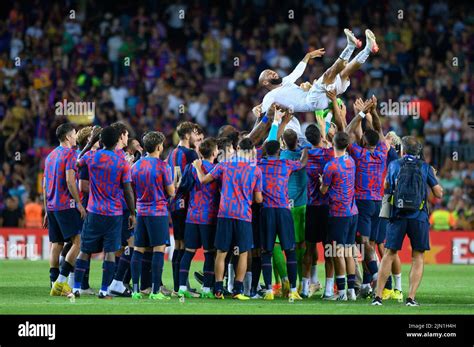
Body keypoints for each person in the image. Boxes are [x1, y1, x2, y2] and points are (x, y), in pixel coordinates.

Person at [258, 29, 378, 141]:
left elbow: (297, 72)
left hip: (321, 98)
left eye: (271, 71)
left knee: (344, 73)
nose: (272, 72)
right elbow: (263, 114)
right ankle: (351, 46)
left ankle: (368, 49)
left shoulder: (285, 81)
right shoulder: (269, 97)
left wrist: (307, 56)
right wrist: (258, 109)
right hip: (311, 101)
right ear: (265, 82)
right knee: (327, 74)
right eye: (268, 74)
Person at [372, 136, 443, 306]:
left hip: (397, 216)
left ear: (402, 150)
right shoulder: (425, 167)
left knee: (389, 254)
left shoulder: (394, 165)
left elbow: (386, 187)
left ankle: (378, 297)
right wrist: (434, 177)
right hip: (419, 217)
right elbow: (438, 194)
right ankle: (410, 298)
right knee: (417, 257)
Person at [193, 138, 263, 300]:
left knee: (221, 252)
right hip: (244, 216)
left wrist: (198, 167)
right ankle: (237, 291)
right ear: (252, 151)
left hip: (224, 214)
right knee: (244, 253)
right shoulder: (256, 170)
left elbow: (203, 180)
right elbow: (258, 199)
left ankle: (218, 290)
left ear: (238, 148)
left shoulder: (224, 165)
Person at [71, 126, 136, 299]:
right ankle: (104, 290)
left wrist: (90, 142)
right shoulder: (122, 162)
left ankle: (76, 288)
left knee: (85, 250)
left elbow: (76, 162)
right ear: (117, 141)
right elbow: (128, 190)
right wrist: (132, 212)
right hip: (114, 214)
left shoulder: (92, 156)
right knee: (110, 253)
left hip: (93, 211)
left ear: (100, 141)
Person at [258, 139, 308, 300]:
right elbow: (302, 163)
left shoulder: (260, 164)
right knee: (290, 250)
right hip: (284, 211)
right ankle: (293, 290)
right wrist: (306, 148)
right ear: (279, 151)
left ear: (266, 152)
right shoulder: (286, 164)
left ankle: (269, 291)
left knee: (267, 251)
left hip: (266, 211)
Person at [130, 131, 175, 300]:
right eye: (162, 144)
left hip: (141, 212)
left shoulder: (135, 166)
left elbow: (131, 190)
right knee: (158, 249)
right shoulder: (163, 166)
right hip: (158, 212)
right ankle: (156, 291)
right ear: (158, 147)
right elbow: (171, 192)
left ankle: (135, 290)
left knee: (139, 249)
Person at [178, 138, 220, 299]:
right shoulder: (216, 169)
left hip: (192, 216)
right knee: (209, 254)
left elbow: (183, 187)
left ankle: (182, 287)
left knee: (188, 252)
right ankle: (207, 289)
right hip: (209, 217)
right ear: (214, 152)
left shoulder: (190, 167)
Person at [47, 123, 85, 295]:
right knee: (78, 242)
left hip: (52, 205)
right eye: (75, 133)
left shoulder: (50, 156)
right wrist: (78, 202)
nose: (76, 135)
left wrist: (46, 209)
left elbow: (45, 185)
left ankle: (53, 281)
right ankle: (61, 284)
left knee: (57, 244)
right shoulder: (70, 154)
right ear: (68, 137)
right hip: (66, 204)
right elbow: (70, 181)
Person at [320, 132, 358, 301]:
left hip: (338, 213)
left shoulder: (330, 166)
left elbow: (323, 190)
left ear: (333, 144)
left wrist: (322, 181)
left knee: (337, 252)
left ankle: (341, 292)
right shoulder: (352, 162)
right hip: (353, 212)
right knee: (349, 251)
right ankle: (352, 292)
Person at [166, 121, 200, 295]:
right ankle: (182, 287)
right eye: (194, 133)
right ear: (187, 135)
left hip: (173, 203)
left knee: (179, 245)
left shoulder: (171, 153)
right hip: (186, 203)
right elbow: (197, 178)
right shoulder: (191, 154)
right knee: (186, 246)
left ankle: (178, 286)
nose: (196, 137)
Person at [303, 124, 335, 299]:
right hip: (328, 207)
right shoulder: (329, 154)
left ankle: (304, 287)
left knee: (309, 249)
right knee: (329, 249)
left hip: (311, 206)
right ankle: (329, 290)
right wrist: (326, 133)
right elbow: (335, 145)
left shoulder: (306, 154)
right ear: (321, 138)